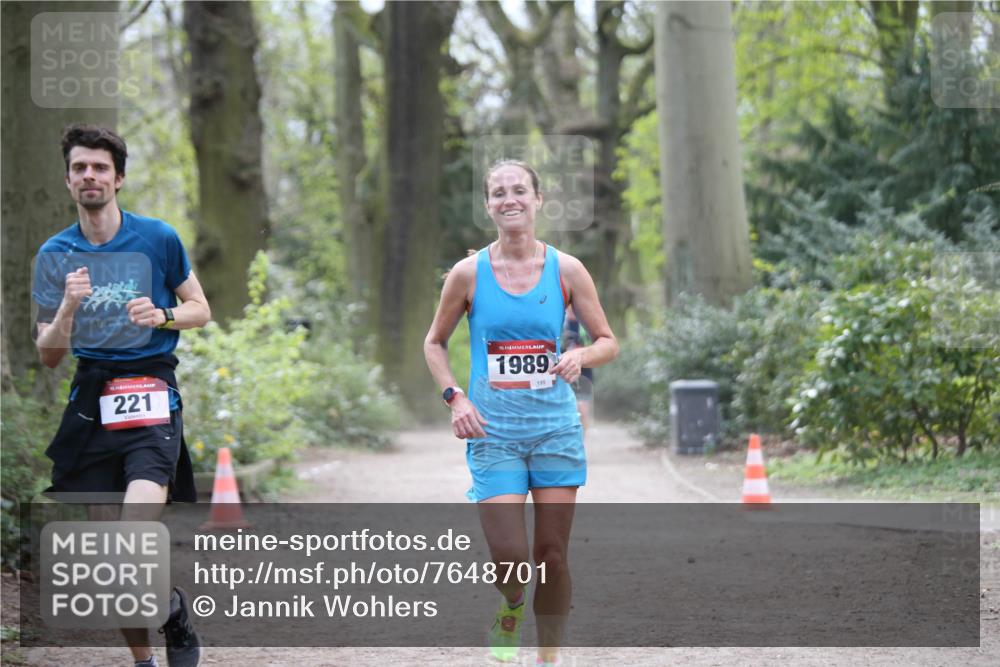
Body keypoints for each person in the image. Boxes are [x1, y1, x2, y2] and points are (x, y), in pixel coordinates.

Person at [424, 159, 618, 666]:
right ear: (488, 206)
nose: (509, 199)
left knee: (551, 557)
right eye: (498, 193)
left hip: (554, 429)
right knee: (510, 561)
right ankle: (510, 606)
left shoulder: (567, 270)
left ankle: (547, 656)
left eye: (518, 191)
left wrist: (580, 355)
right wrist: (455, 397)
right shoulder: (468, 274)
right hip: (493, 433)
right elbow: (434, 344)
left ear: (538, 200)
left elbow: (608, 341)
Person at [33, 124, 210, 667]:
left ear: (119, 178)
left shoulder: (157, 238)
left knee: (131, 539)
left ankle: (172, 613)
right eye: (80, 168)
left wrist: (160, 314)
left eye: (101, 167)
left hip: (151, 393)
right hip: (92, 403)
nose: (91, 175)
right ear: (68, 180)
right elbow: (48, 353)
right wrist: (67, 307)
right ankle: (147, 657)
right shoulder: (54, 253)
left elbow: (201, 308)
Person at [562, 305, 595, 433]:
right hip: (563, 371)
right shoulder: (561, 322)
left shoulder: (586, 323)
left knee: (582, 407)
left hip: (584, 371)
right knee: (569, 408)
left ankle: (582, 441)